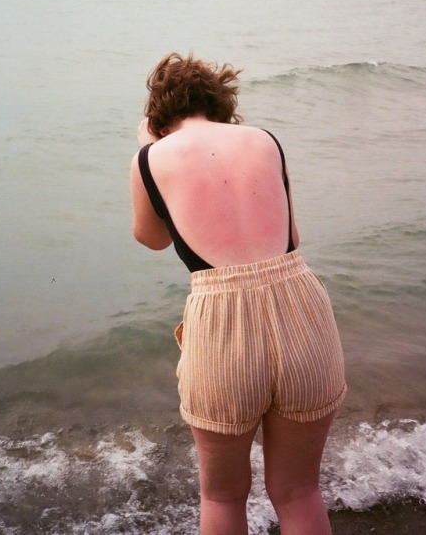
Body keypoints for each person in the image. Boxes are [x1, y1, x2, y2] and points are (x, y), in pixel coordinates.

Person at [130, 53, 346, 535]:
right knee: (300, 492)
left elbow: (152, 237)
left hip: (222, 323)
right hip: (301, 306)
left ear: (159, 116)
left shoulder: (150, 156)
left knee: (223, 496)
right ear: (221, 102)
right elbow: (292, 233)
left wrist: (148, 148)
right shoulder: (265, 139)